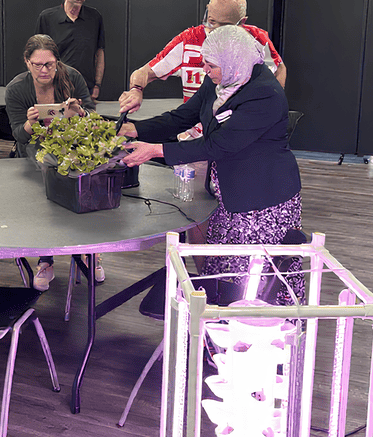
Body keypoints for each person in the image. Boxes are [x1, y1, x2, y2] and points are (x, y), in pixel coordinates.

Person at [120, 25, 304, 304]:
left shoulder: (264, 93)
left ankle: (256, 332)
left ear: (233, 61)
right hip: (228, 193)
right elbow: (182, 117)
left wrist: (155, 151)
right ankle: (220, 325)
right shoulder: (219, 80)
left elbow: (219, 145)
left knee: (255, 279)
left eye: (210, 64)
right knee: (223, 270)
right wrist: (136, 130)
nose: (204, 69)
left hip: (262, 200)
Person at [4, 34, 100, 290]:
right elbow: (19, 136)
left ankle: (92, 252)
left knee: (85, 183)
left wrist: (79, 112)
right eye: (38, 65)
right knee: (49, 180)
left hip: (73, 143)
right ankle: (45, 259)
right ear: (27, 62)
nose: (44, 70)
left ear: (57, 62)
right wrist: (30, 123)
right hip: (39, 148)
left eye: (50, 64)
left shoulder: (72, 77)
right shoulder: (16, 89)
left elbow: (93, 116)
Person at [117, 0, 286, 122]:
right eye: (211, 21)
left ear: (241, 23)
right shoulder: (188, 40)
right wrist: (136, 90)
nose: (213, 30)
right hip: (194, 134)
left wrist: (271, 109)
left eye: (224, 25)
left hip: (237, 134)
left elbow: (279, 69)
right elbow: (144, 72)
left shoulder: (256, 40)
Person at [36, 0, 105, 100]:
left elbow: (99, 53)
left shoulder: (94, 17)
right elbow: (37, 57)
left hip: (86, 90)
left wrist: (97, 85)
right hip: (55, 89)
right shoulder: (47, 18)